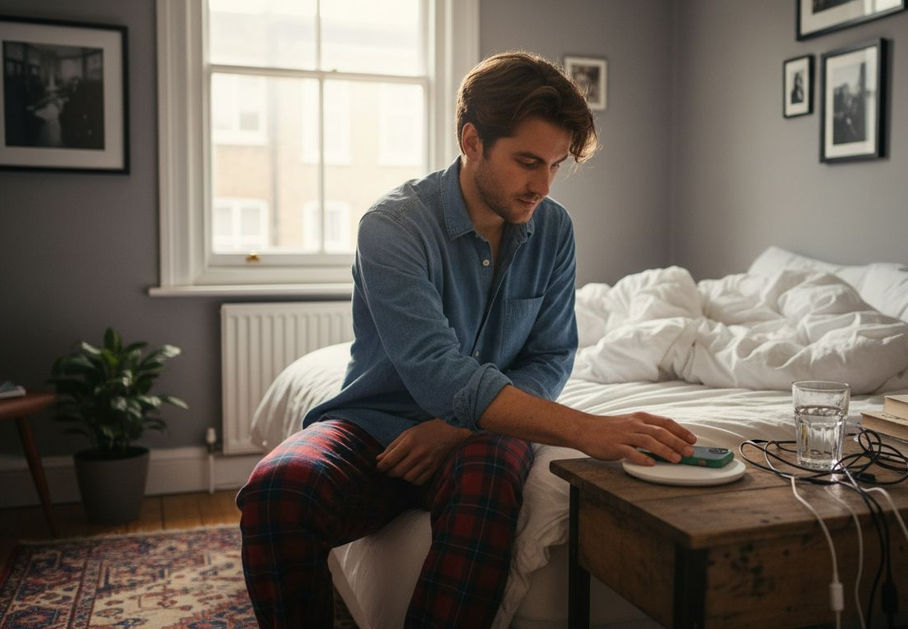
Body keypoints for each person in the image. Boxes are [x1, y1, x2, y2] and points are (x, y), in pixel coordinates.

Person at [236, 51, 697, 628]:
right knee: (276, 493)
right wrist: (590, 430)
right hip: (374, 425)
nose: (542, 186)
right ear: (472, 140)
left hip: (482, 437)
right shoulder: (394, 226)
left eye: (556, 165)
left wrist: (456, 429)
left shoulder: (553, 230)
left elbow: (551, 354)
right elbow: (436, 370)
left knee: (489, 472)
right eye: (528, 162)